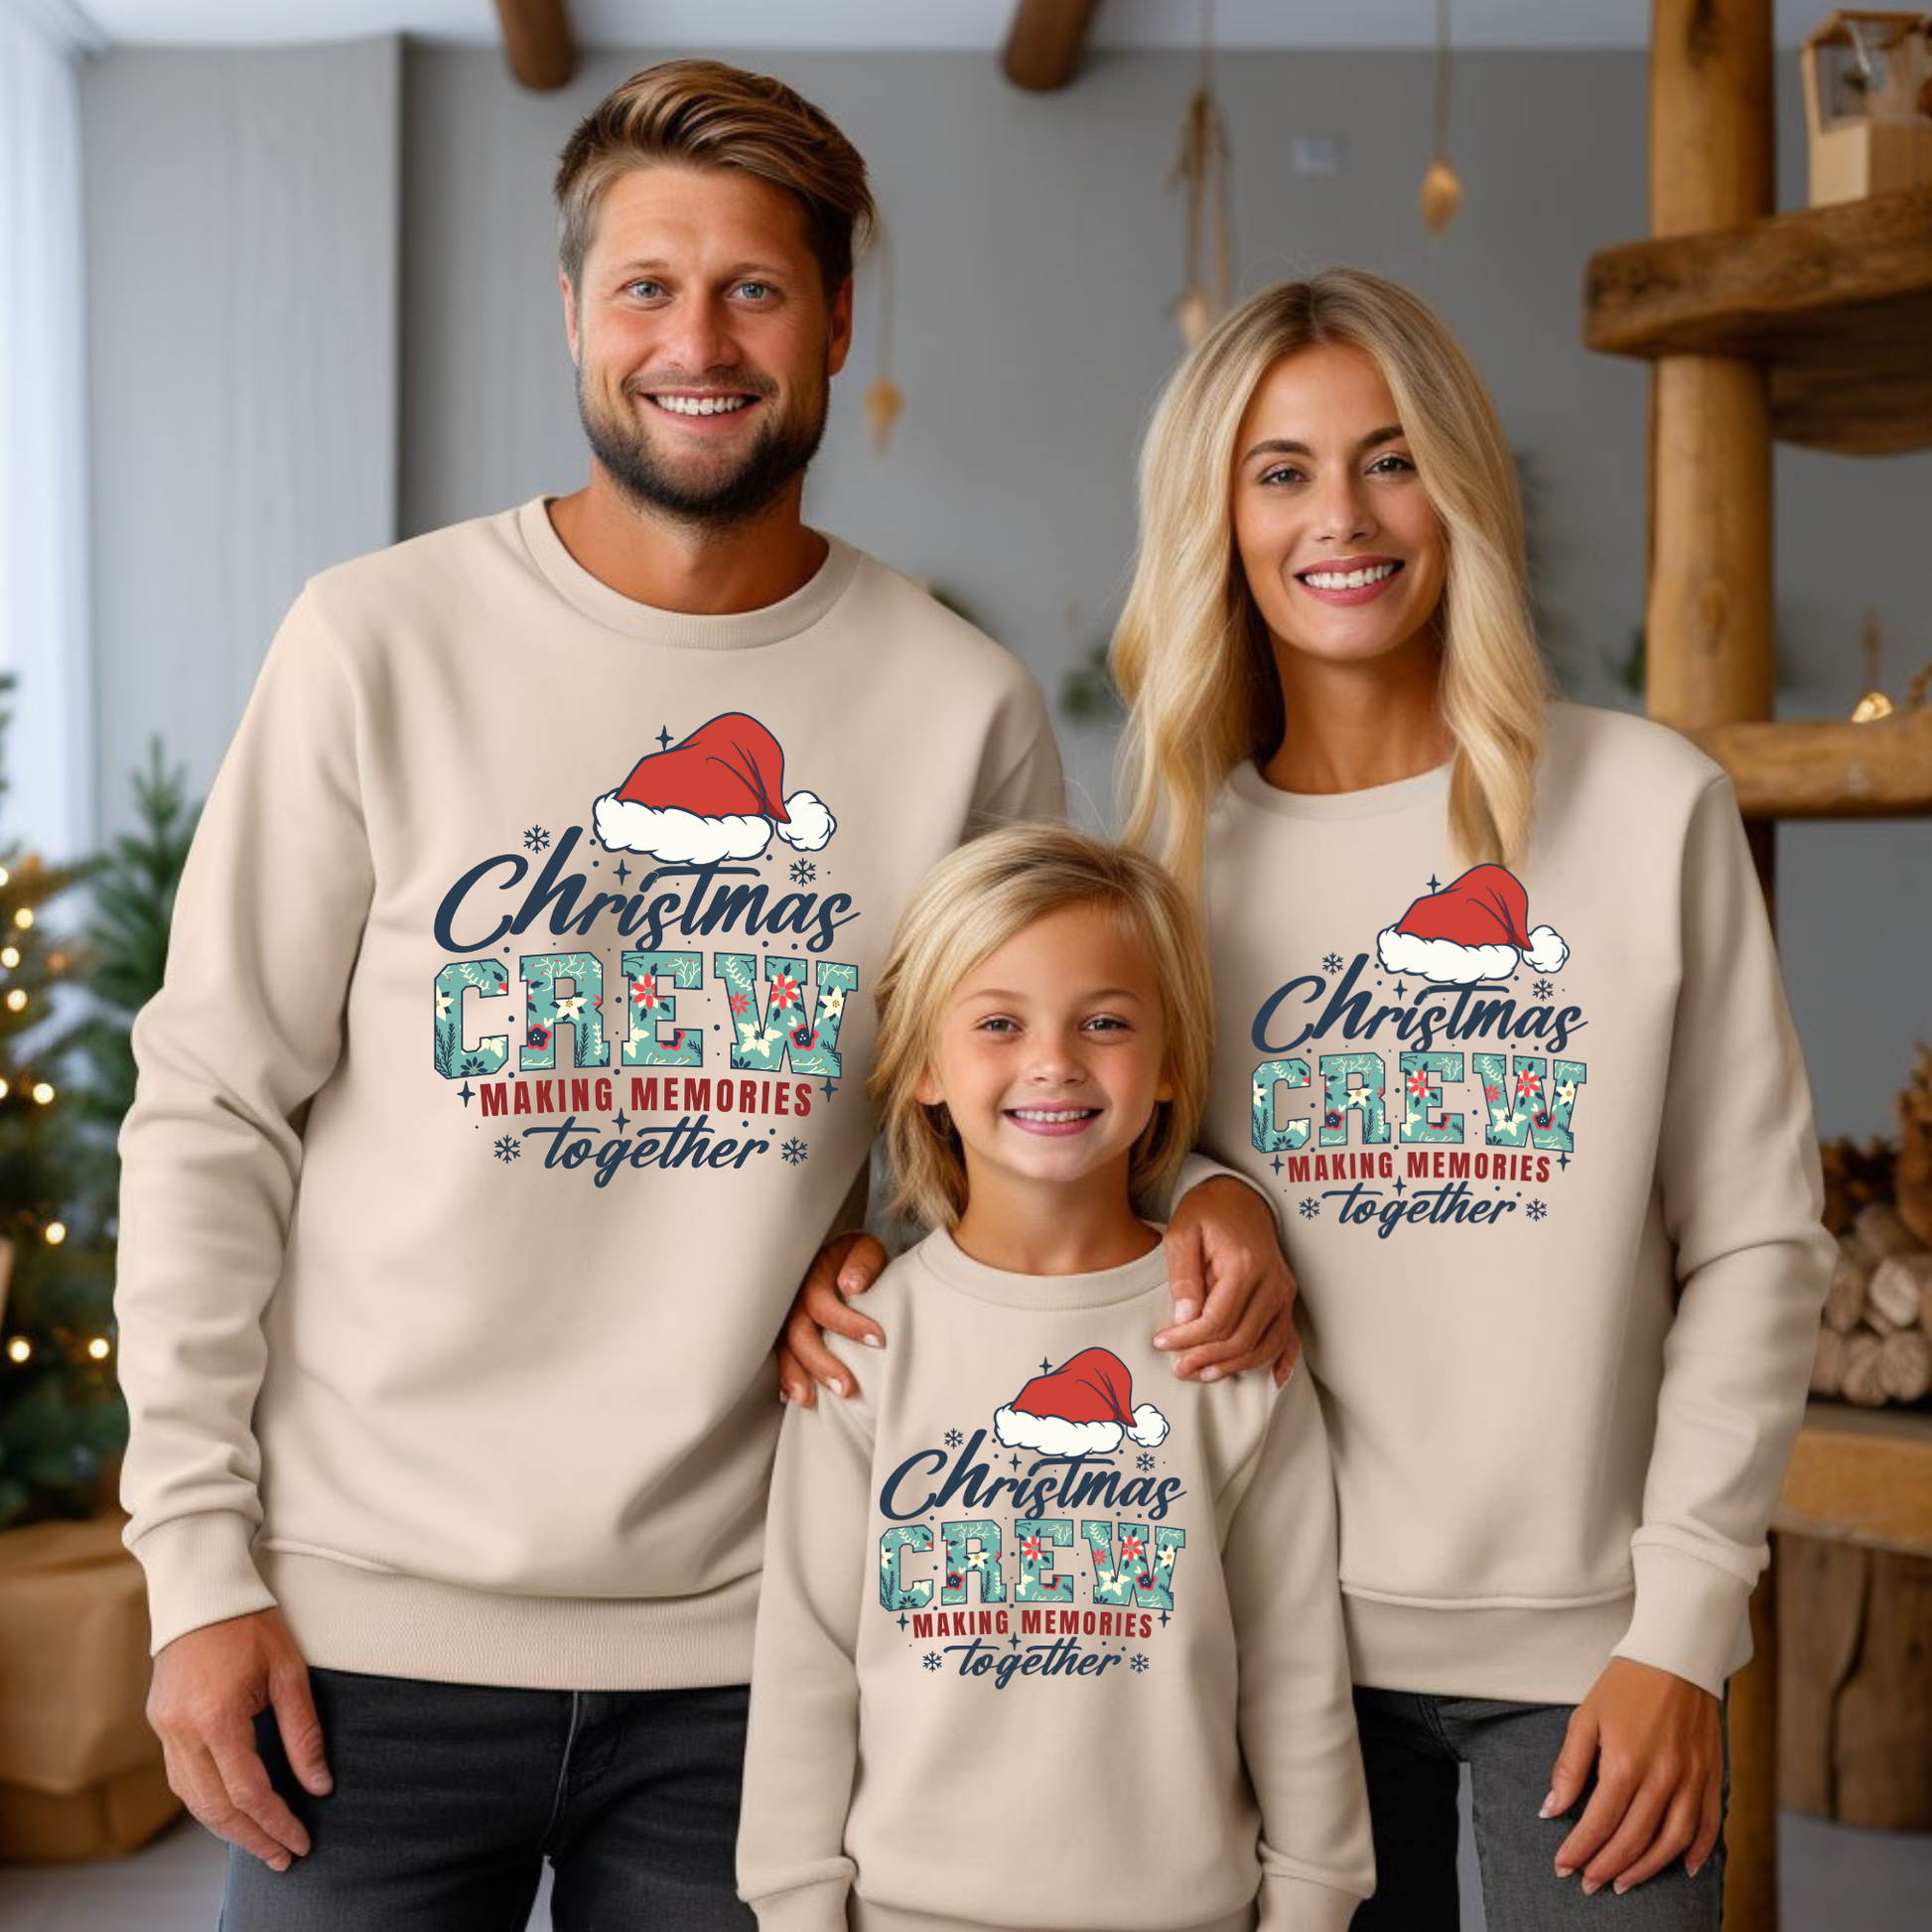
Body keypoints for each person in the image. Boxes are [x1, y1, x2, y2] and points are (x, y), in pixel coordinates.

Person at [115, 59, 1287, 1931]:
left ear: (833, 321)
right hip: (359, 1645)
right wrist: (195, 1570)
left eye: (754, 287)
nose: (700, 338)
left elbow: (1020, 1099)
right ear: (573, 312)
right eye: (647, 286)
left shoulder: (956, 701)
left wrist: (1204, 1189)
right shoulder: (373, 643)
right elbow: (209, 1109)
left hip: (761, 1653)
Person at [1099, 268, 1836, 1929]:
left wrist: (1680, 1630)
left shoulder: (1646, 808)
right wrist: (1204, 1183)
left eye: (1389, 456)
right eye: (1278, 470)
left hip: (1593, 1661)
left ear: (1459, 486)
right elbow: (1088, 1193)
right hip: (1261, 1653)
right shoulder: (1170, 862)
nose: (1339, 517)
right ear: (1214, 513)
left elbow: (1759, 1246)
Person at [737, 826, 1374, 1932]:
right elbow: (806, 1661)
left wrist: (1312, 1901)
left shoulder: (1223, 1337)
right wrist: (796, 1908)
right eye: (997, 1022)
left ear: (1169, 1060)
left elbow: (1290, 1658)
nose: (1054, 1060)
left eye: (1106, 1022)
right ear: (925, 1065)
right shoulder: (863, 1341)